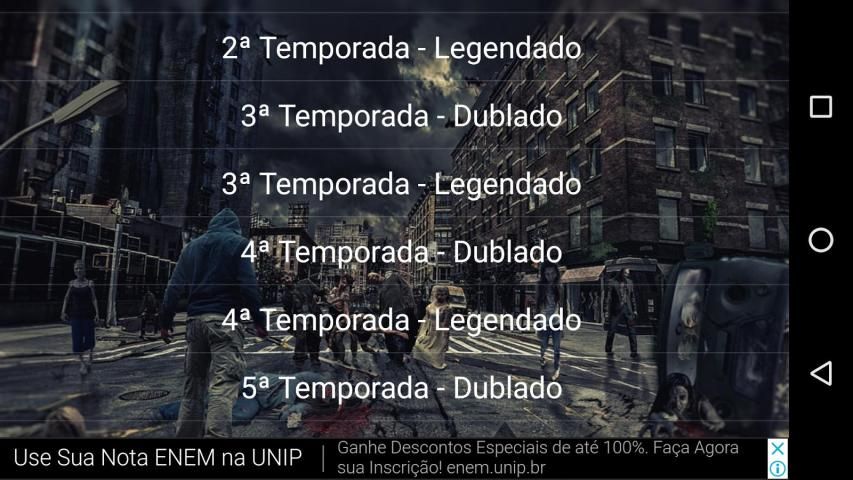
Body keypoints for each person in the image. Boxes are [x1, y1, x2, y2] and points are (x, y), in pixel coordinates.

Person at [160, 208, 268, 438]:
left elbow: (174, 287)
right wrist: (259, 320)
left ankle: (186, 437)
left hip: (195, 322)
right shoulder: (239, 244)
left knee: (193, 384)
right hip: (225, 321)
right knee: (223, 383)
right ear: (235, 229)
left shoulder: (192, 247)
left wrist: (164, 321)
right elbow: (249, 286)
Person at [60, 259, 100, 376]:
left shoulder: (90, 283)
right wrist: (63, 311)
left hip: (88, 315)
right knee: (77, 341)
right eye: (76, 268)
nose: (78, 270)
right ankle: (82, 363)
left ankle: (89, 358)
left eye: (80, 268)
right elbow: (66, 298)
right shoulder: (71, 283)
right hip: (75, 316)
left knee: (89, 340)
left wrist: (97, 313)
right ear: (74, 270)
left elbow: (94, 299)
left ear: (84, 270)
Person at [379, 270, 416, 366]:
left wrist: (408, 305)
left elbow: (407, 290)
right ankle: (393, 357)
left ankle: (398, 359)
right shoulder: (384, 287)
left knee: (398, 336)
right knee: (390, 336)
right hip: (388, 314)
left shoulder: (395, 279)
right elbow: (382, 302)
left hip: (398, 312)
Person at [412, 286, 452, 369]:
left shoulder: (447, 308)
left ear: (446, 295)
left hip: (439, 334)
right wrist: (421, 331)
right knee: (418, 345)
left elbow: (446, 325)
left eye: (443, 294)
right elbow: (426, 320)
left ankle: (435, 364)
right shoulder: (430, 306)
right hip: (429, 330)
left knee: (436, 354)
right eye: (438, 294)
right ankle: (426, 363)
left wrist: (445, 340)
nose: (440, 296)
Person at [536, 262, 564, 381]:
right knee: (544, 345)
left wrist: (563, 326)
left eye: (552, 273)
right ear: (544, 275)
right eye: (547, 274)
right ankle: (542, 359)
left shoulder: (559, 286)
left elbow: (562, 305)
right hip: (544, 322)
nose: (550, 276)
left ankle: (556, 369)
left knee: (557, 348)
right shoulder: (540, 286)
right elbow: (538, 306)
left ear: (556, 273)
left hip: (556, 322)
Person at [604, 268, 639, 359]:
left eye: (628, 273)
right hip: (616, 309)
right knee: (612, 330)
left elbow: (632, 297)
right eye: (626, 273)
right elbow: (607, 298)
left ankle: (634, 352)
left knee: (632, 330)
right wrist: (606, 311)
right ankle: (608, 349)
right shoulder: (612, 282)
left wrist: (635, 309)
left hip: (628, 309)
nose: (627, 275)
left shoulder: (630, 282)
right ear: (621, 273)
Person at [293, 275, 324, 366]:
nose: (286, 280)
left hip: (312, 313)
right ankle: (300, 358)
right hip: (300, 315)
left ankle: (314, 358)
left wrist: (324, 292)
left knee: (315, 336)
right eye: (283, 279)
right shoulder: (287, 294)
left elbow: (319, 292)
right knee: (301, 337)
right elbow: (288, 309)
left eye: (288, 277)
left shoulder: (306, 282)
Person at [327, 275, 355, 364]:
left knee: (338, 338)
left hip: (340, 317)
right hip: (331, 316)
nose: (343, 284)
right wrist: (338, 299)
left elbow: (346, 309)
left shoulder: (346, 294)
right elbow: (328, 301)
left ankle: (341, 359)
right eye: (342, 282)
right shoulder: (334, 290)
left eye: (346, 283)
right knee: (328, 338)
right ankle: (336, 356)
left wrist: (346, 320)